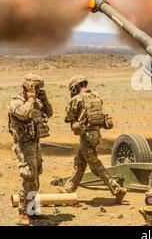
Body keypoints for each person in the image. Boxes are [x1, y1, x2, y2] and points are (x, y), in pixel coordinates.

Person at [63, 75, 127, 203]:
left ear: (76, 87)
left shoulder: (77, 99)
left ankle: (116, 189)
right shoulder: (96, 96)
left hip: (86, 136)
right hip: (95, 134)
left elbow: (68, 116)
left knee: (95, 166)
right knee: (80, 162)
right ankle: (69, 189)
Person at [8, 73, 53, 226]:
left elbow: (50, 112)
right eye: (36, 87)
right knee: (28, 177)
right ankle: (23, 213)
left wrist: (43, 97)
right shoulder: (16, 102)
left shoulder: (37, 101)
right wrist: (32, 98)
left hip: (35, 143)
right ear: (26, 87)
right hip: (23, 144)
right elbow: (22, 113)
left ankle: (32, 211)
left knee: (36, 178)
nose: (38, 90)